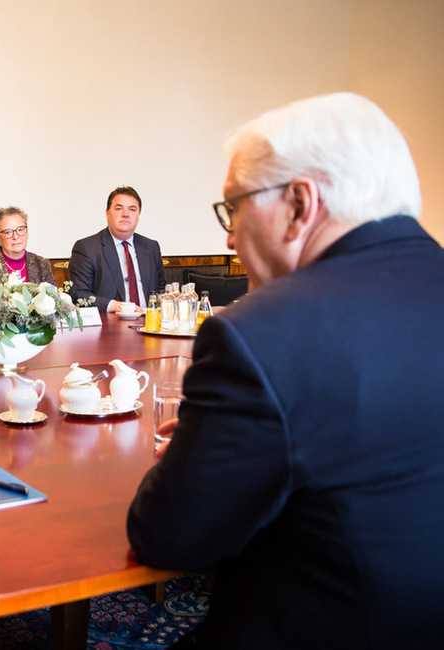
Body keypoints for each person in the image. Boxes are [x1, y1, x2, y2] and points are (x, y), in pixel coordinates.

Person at [127, 93, 444, 649]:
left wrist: (195, 456)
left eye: (234, 208)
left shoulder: (258, 335)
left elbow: (167, 538)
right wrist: (237, 438)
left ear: (299, 204)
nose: (228, 237)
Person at [68, 186, 165, 312]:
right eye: (119, 208)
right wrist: (116, 306)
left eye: (132, 209)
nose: (125, 214)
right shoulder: (87, 248)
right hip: (111, 324)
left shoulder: (151, 247)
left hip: (149, 322)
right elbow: (78, 295)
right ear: (107, 213)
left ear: (139, 214)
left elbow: (162, 290)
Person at [0, 206, 56, 285]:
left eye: (20, 229)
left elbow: (55, 298)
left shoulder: (41, 264)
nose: (15, 237)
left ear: (27, 232)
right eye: (8, 232)